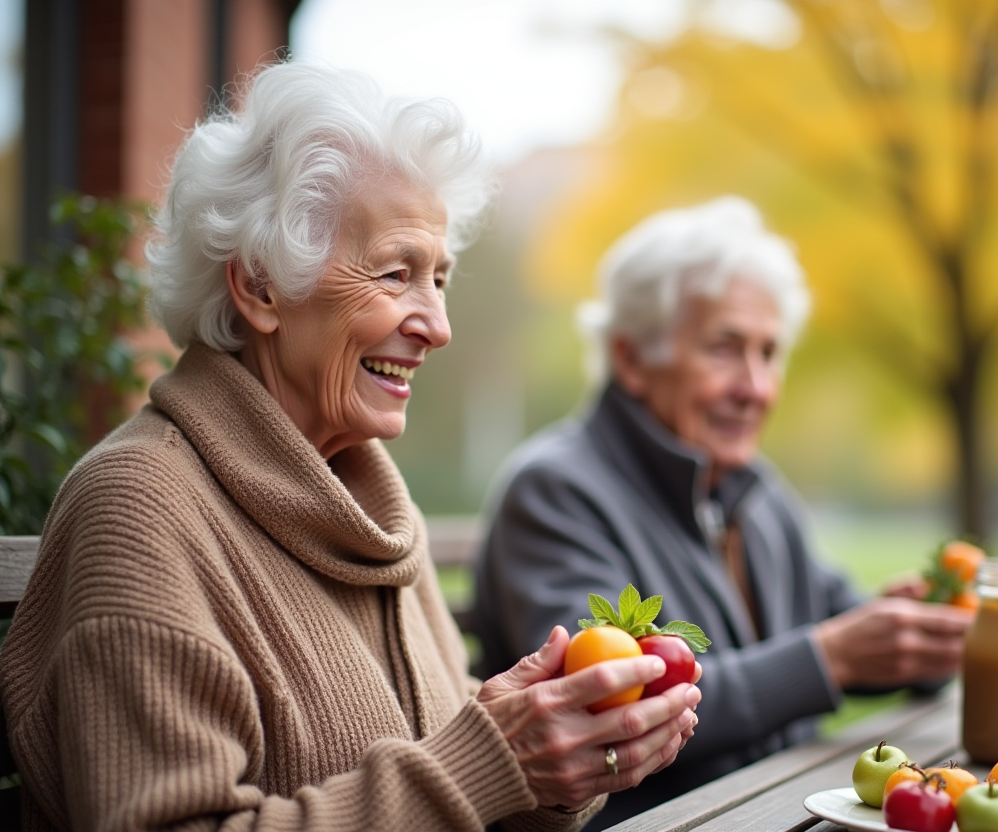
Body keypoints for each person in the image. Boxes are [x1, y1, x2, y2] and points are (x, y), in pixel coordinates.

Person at [0, 62, 701, 832]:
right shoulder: (137, 512)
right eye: (397, 273)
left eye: (439, 277)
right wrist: (488, 764)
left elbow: (459, 775)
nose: (437, 324)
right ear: (261, 285)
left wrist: (554, 762)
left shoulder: (373, 506)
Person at [473, 196, 973, 829]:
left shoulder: (752, 489)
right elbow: (601, 712)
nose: (757, 387)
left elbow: (836, 618)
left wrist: (912, 636)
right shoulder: (553, 489)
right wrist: (834, 657)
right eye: (725, 348)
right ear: (631, 359)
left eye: (769, 353)